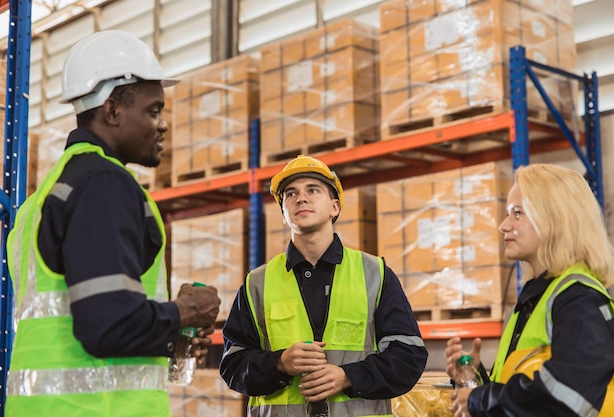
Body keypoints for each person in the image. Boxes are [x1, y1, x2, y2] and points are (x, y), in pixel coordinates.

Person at [5, 30, 221, 417]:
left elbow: (86, 320)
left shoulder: (45, 196)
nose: (163, 125)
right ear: (112, 110)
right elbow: (106, 326)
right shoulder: (103, 184)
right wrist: (185, 311)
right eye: (154, 111)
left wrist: (169, 336)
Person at [220, 154, 428, 416]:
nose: (301, 198)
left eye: (313, 190)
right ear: (283, 215)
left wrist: (348, 377)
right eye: (290, 194)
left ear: (334, 207)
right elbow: (232, 365)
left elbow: (409, 357)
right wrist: (279, 363)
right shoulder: (257, 283)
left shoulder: (375, 274)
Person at [445, 163, 614, 417]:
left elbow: (567, 396)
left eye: (517, 213)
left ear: (554, 219)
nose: (503, 225)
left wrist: (481, 400)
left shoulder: (578, 298)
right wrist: (474, 381)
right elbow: (524, 399)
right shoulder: (534, 300)